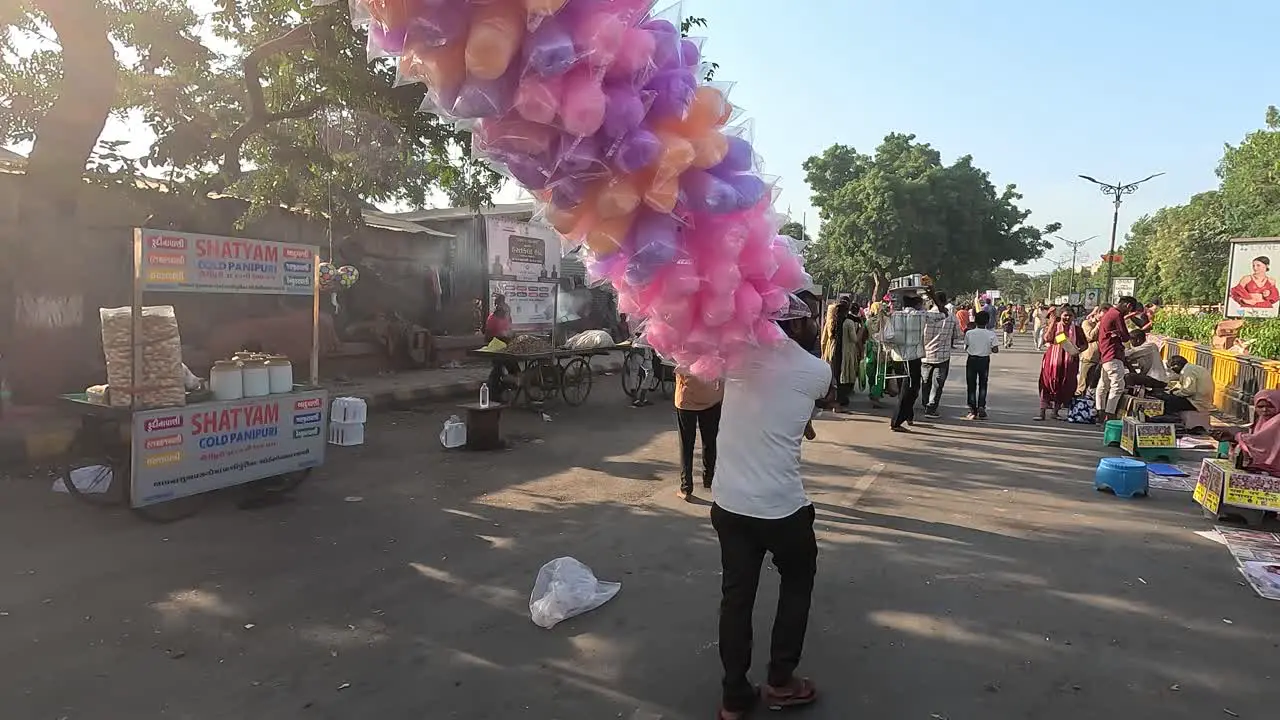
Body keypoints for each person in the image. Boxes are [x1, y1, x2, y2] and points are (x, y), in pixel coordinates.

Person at [711, 290, 832, 719]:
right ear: (798, 322)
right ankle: (781, 680)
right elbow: (808, 398)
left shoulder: (735, 354)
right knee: (798, 578)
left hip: (728, 503)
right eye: (811, 316)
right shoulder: (817, 369)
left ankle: (733, 697)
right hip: (782, 509)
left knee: (737, 596)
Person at [675, 371, 723, 499]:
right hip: (711, 397)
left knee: (686, 444)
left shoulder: (683, 350)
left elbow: (670, 360)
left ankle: (686, 488)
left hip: (686, 397)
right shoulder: (714, 349)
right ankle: (709, 479)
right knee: (710, 441)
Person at [885, 295, 926, 432]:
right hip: (912, 357)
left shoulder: (894, 315)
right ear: (918, 304)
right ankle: (896, 422)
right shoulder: (921, 315)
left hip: (898, 357)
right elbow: (942, 315)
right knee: (910, 390)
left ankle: (908, 415)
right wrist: (931, 292)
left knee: (904, 388)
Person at [1037, 306, 1085, 420]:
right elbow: (1047, 338)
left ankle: (1055, 411)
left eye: (1070, 315)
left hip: (1069, 362)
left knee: (1064, 385)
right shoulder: (1054, 327)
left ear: (1073, 317)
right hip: (1052, 361)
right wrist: (1053, 323)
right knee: (1046, 384)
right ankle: (1042, 412)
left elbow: (1084, 344)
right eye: (1065, 315)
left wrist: (1077, 351)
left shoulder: (1077, 330)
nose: (1067, 318)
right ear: (1061, 316)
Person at [920, 291, 963, 419]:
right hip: (942, 356)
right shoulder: (951, 317)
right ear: (945, 302)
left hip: (925, 355)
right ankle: (932, 407)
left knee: (925, 381)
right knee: (938, 383)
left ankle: (925, 403)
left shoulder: (925, 316)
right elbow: (958, 336)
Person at [1095, 296, 1137, 423]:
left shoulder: (1108, 314)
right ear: (1128, 305)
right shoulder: (1117, 314)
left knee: (1103, 386)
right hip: (1113, 355)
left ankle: (1100, 413)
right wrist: (1120, 335)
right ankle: (1110, 415)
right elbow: (1125, 337)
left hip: (1105, 355)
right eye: (1129, 310)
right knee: (1118, 386)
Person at [820, 299, 862, 410]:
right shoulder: (849, 323)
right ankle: (841, 400)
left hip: (833, 351)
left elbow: (823, 340)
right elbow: (854, 339)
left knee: (835, 375)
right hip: (846, 353)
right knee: (845, 377)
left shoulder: (831, 322)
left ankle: (834, 399)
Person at [964, 310, 999, 420]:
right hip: (984, 360)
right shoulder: (991, 334)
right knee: (983, 384)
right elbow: (995, 349)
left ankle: (972, 409)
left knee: (971, 384)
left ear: (975, 320)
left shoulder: (969, 333)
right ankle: (981, 406)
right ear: (987, 321)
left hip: (972, 359)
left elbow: (966, 346)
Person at [863, 301, 888, 408]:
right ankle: (876, 395)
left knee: (871, 372)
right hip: (882, 350)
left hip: (870, 350)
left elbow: (863, 336)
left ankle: (872, 390)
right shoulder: (886, 321)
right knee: (880, 373)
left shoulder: (868, 322)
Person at [1076, 306, 1105, 396]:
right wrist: (1099, 325)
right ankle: (1079, 403)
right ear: (1096, 313)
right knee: (1083, 383)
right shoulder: (1087, 323)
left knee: (1095, 383)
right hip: (1089, 357)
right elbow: (1090, 337)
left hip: (1101, 358)